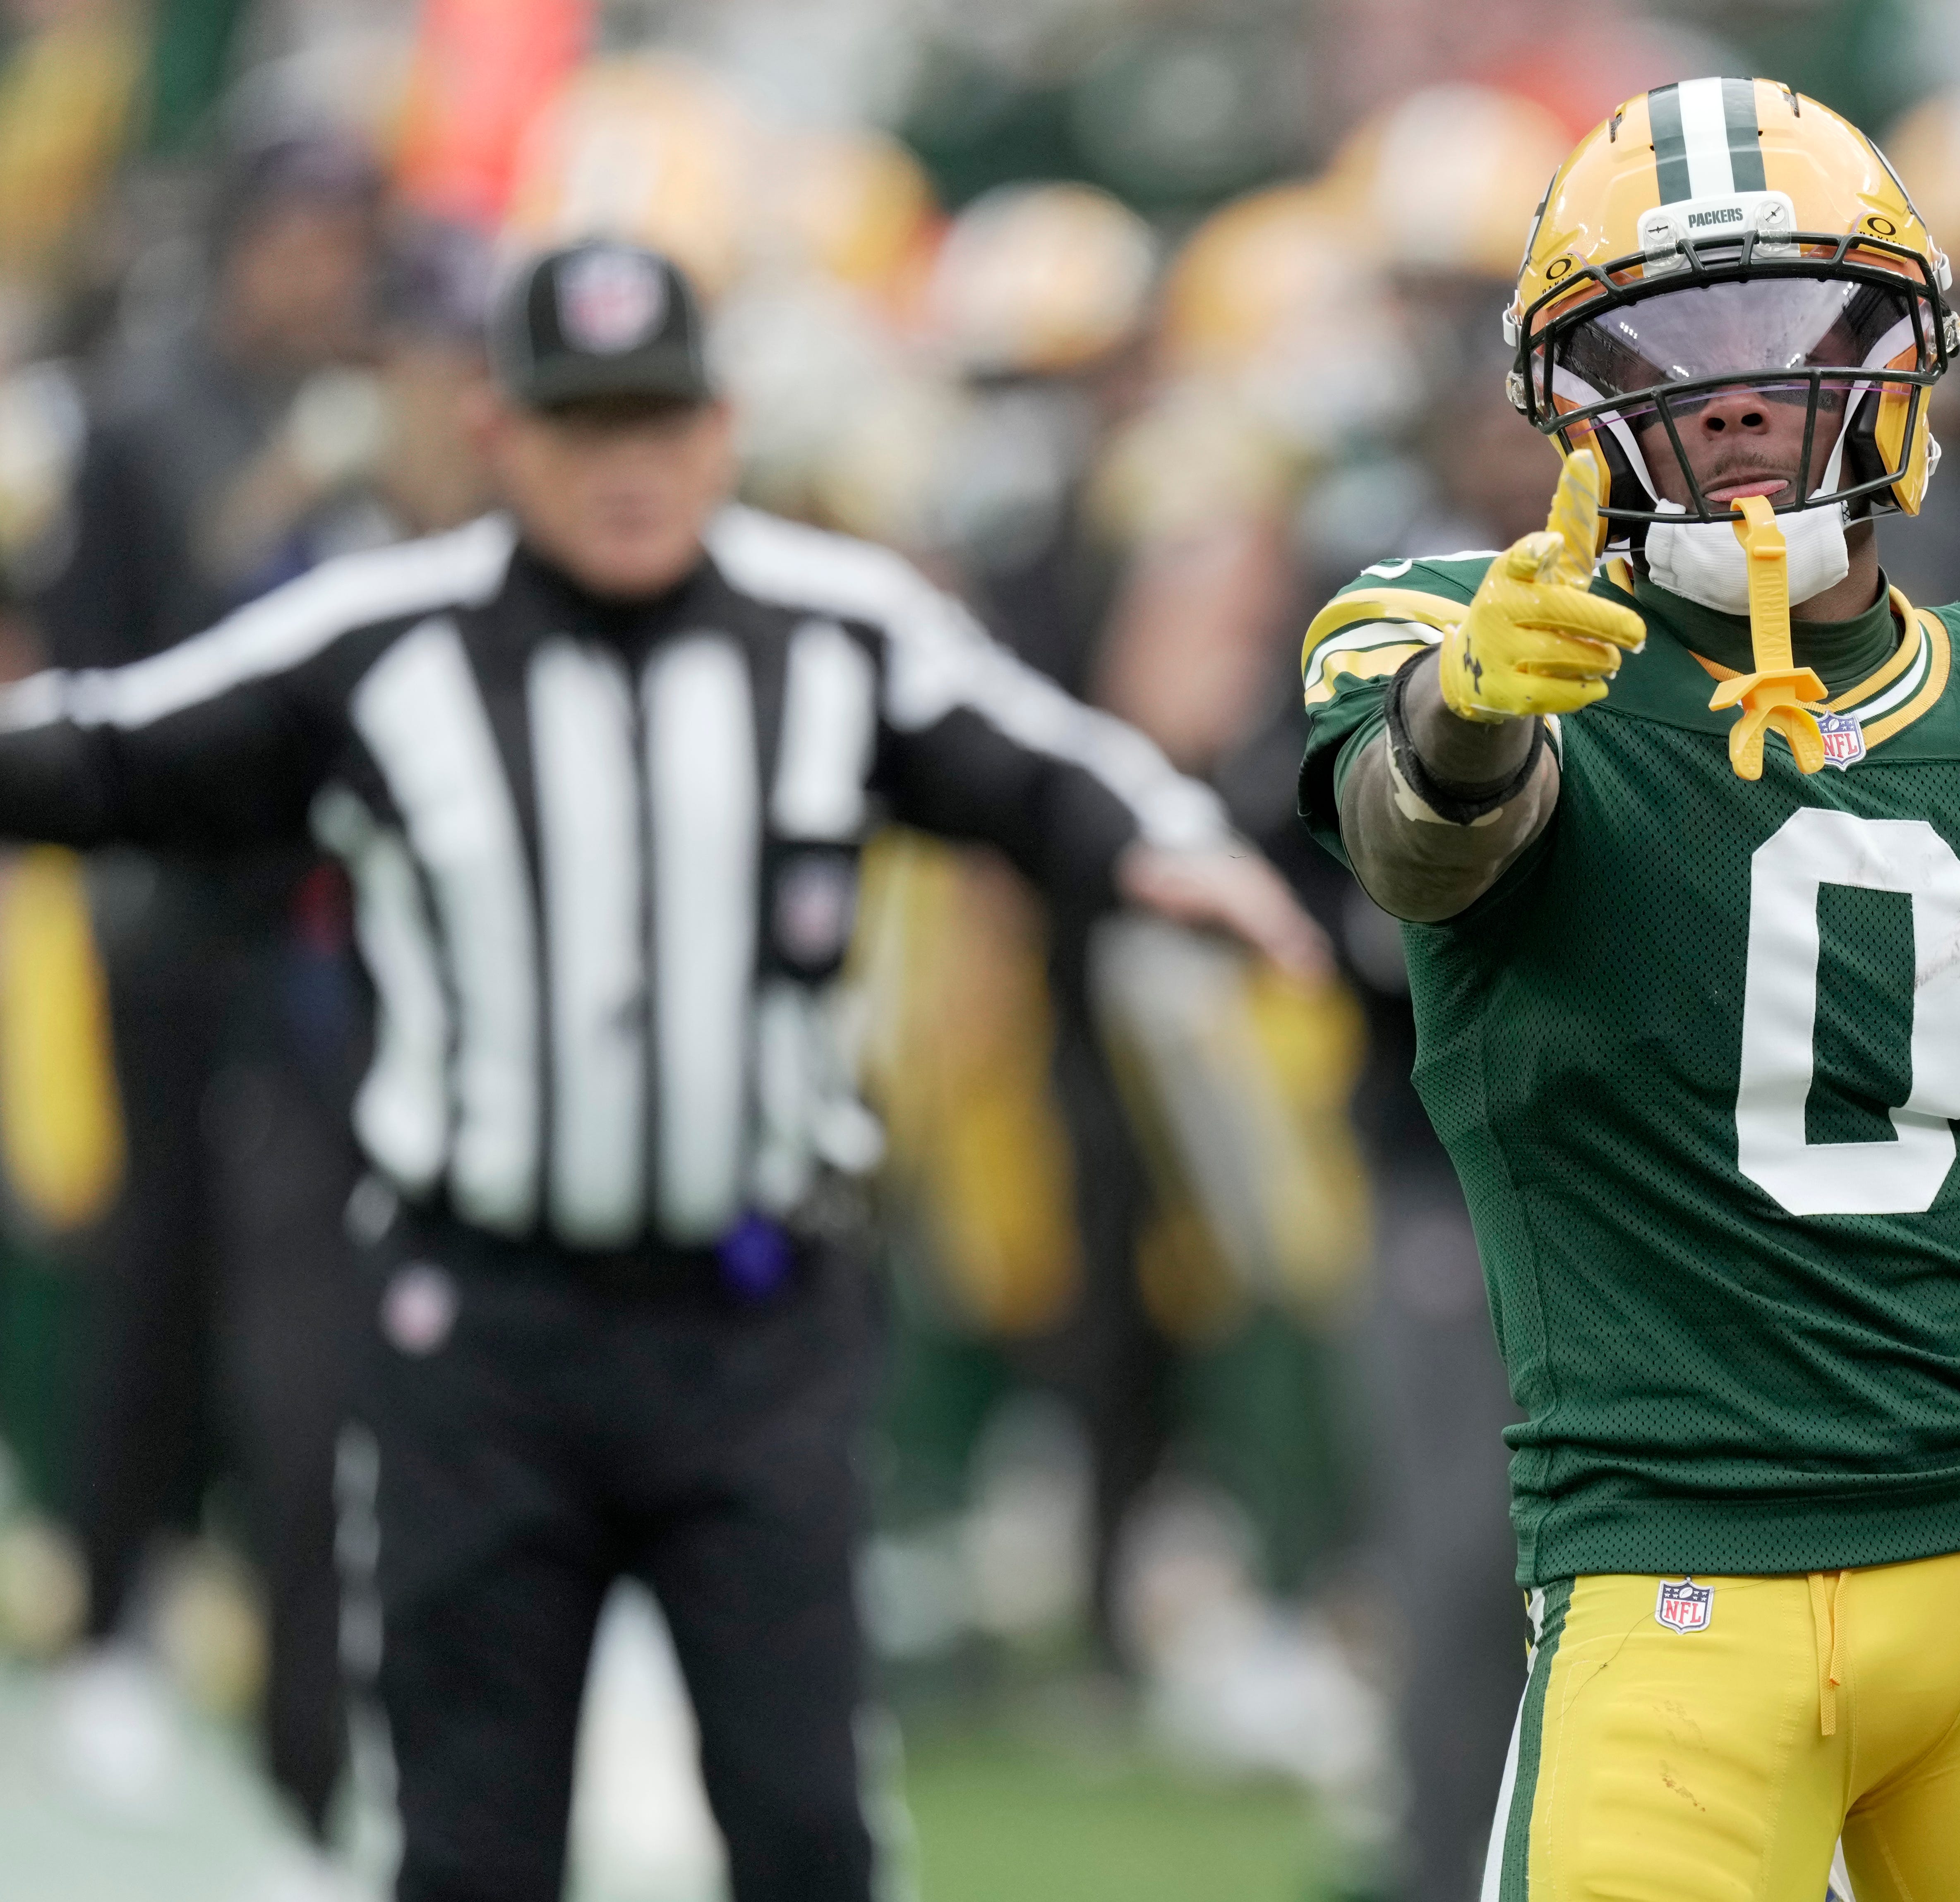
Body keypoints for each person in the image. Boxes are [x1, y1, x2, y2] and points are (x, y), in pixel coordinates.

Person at [0, 237, 1323, 1901]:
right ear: (501, 436)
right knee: (473, 1843)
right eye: (583, 427)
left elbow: (1042, 768)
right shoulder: (384, 637)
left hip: (755, 1328)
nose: (626, 468)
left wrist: (1167, 847)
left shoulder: (842, 630)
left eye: (659, 422)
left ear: (721, 427)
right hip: (479, 1334)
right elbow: (121, 748)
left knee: (803, 1828)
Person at [1297, 79, 1960, 1900]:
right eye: (1667, 340)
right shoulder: (1465, 638)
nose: (1741, 390)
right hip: (1676, 1583)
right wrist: (1471, 711)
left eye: (1794, 325)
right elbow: (1415, 844)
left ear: (1914, 359)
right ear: (1562, 402)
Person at [32, 129, 390, 1836]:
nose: (328, 270)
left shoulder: (359, 412)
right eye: (307, 237)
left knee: (305, 1318)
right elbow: (103, 683)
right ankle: (115, 1613)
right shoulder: (148, 417)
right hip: (175, 917)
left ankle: (265, 1639)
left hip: (309, 924)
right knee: (163, 1274)